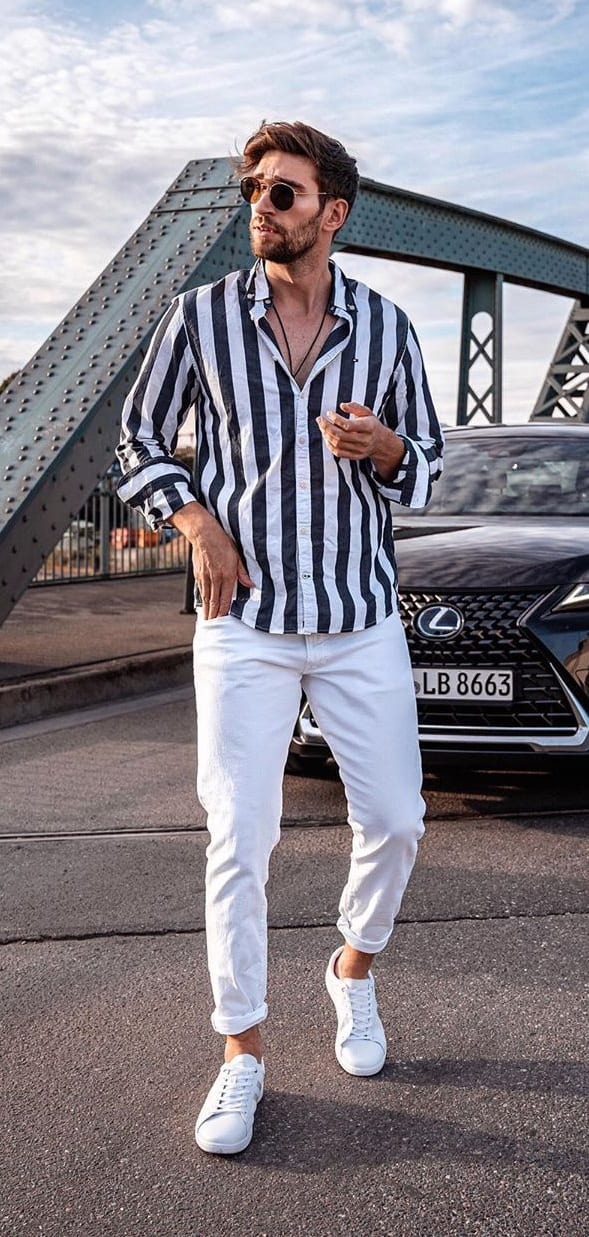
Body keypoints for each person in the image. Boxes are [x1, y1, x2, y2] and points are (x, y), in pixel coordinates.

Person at [116, 120, 444, 1157]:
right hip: (243, 623)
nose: (262, 205)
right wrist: (196, 521)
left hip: (356, 619)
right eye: (254, 190)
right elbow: (137, 439)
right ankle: (242, 1053)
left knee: (395, 820)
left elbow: (428, 469)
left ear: (331, 214)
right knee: (237, 839)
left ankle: (352, 967)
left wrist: (386, 446)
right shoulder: (198, 319)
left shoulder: (388, 331)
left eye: (285, 193)